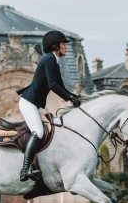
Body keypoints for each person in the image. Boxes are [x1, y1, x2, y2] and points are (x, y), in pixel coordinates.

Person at [16, 30, 82, 181]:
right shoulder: (49, 60)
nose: (65, 47)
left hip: (35, 104)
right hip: (28, 103)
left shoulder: (54, 60)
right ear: (55, 46)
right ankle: (25, 170)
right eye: (63, 44)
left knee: (50, 130)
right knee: (38, 132)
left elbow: (60, 86)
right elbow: (53, 85)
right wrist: (69, 99)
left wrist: (73, 97)